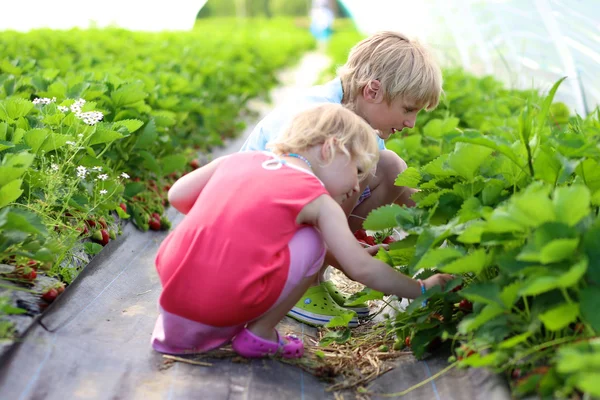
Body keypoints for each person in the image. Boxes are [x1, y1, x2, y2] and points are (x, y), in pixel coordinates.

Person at [151, 104, 452, 359]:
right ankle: (261, 334)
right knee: (312, 241)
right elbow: (361, 269)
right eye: (357, 170)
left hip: (172, 298)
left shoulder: (241, 159)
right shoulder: (318, 200)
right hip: (221, 308)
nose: (356, 186)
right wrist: (422, 288)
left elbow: (177, 195)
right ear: (330, 148)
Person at [239, 31, 443, 326]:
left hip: (284, 226)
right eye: (408, 109)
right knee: (359, 170)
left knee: (388, 167)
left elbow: (400, 186)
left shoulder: (357, 123)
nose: (411, 123)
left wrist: (445, 229)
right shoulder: (317, 122)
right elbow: (297, 203)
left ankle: (314, 274)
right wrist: (349, 257)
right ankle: (296, 285)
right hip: (253, 237)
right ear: (372, 91)